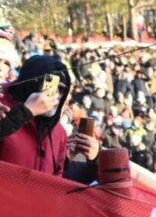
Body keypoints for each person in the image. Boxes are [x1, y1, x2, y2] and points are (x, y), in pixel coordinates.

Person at [1, 54, 98, 182]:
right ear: (31, 84)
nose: (55, 95)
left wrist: (93, 161)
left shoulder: (59, 133)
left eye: (61, 90)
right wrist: (25, 113)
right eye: (49, 86)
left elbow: (60, 182)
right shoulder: (3, 110)